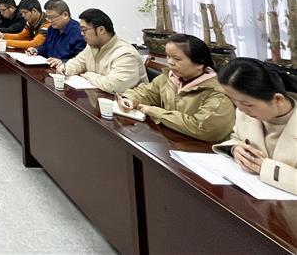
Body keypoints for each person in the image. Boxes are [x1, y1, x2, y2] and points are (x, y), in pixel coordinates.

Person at [118, 34, 234, 142]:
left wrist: (153, 111)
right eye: (168, 56)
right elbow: (146, 92)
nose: (170, 62)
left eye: (177, 59)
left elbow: (203, 128)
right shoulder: (169, 78)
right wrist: (129, 99)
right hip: (172, 141)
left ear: (200, 63)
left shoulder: (217, 93)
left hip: (203, 150)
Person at [214, 58, 297, 195]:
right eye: (234, 101)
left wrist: (265, 168)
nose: (241, 109)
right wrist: (235, 149)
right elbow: (236, 137)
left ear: (278, 99)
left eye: (247, 104)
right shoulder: (245, 113)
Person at [47, 8, 147, 94]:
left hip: (128, 107)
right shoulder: (92, 46)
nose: (81, 34)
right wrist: (65, 68)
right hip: (100, 99)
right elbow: (79, 62)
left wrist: (88, 75)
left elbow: (113, 86)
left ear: (101, 30)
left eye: (84, 30)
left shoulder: (126, 54)